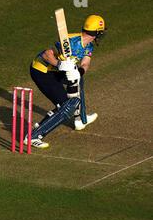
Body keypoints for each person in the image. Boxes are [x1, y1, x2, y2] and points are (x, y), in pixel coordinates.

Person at [26, 14, 107, 148]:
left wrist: (78, 72)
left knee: (79, 80)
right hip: (42, 71)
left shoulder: (88, 46)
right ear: (96, 33)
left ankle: (80, 119)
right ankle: (34, 136)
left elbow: (85, 64)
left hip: (56, 72)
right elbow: (46, 54)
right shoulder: (70, 41)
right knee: (67, 106)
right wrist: (59, 64)